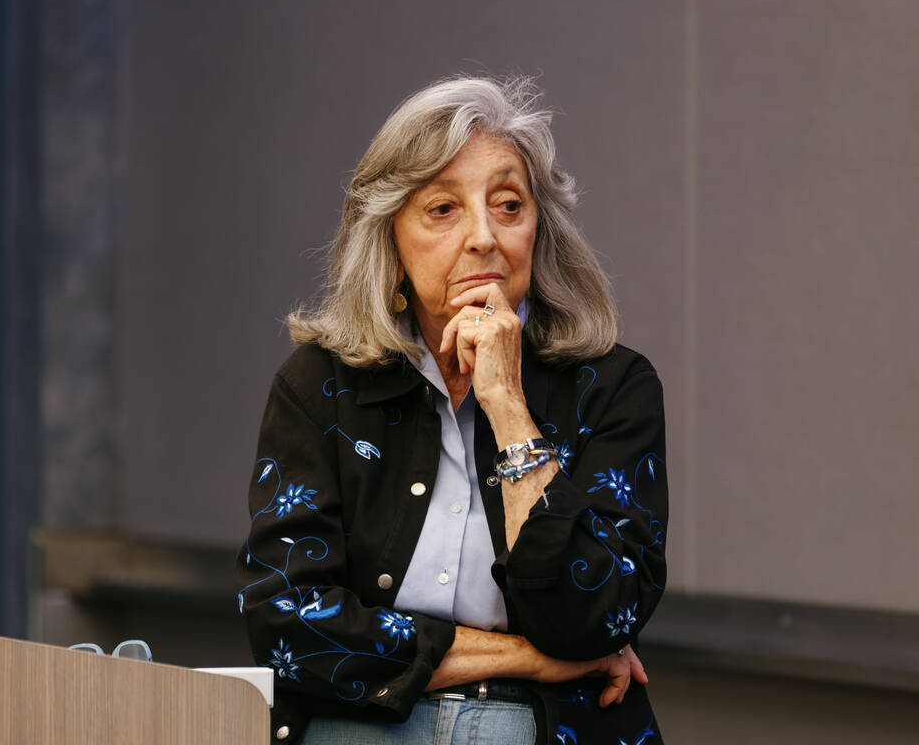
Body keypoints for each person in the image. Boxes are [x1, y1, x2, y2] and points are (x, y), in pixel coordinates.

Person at [235, 76, 668, 745]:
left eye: (508, 206)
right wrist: (532, 657)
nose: (484, 238)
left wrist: (506, 402)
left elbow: (597, 619)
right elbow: (288, 623)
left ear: (538, 231)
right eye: (443, 209)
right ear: (391, 242)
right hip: (362, 726)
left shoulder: (613, 387)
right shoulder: (321, 384)